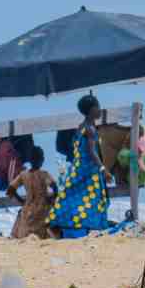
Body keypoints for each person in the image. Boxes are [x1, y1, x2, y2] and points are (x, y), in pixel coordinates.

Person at [46, 94, 113, 238]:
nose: (100, 110)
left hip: (77, 169)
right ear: (92, 110)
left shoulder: (80, 128)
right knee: (92, 201)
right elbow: (91, 152)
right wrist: (103, 170)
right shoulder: (90, 129)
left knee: (71, 198)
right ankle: (89, 229)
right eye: (98, 107)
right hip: (89, 171)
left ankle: (56, 224)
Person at [7, 147, 56, 239]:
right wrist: (51, 198)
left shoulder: (23, 175)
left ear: (30, 160)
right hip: (42, 208)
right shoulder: (44, 174)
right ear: (42, 159)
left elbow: (10, 189)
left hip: (28, 207)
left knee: (21, 215)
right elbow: (54, 187)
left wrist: (21, 200)